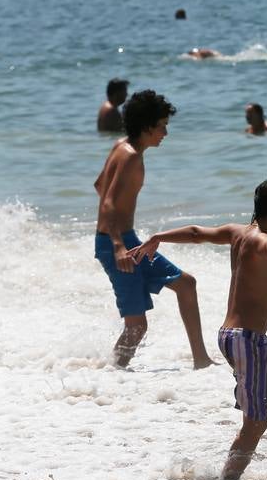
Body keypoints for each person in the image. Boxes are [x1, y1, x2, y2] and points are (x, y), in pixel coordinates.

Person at [132, 178, 267, 480]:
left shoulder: (237, 233)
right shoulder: (260, 241)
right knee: (256, 421)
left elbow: (197, 233)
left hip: (243, 339)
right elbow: (262, 244)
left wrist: (159, 236)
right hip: (245, 340)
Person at [92, 89, 215, 369]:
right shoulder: (131, 156)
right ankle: (113, 375)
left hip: (125, 239)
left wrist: (120, 234)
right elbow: (109, 201)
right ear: (147, 126)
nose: (165, 133)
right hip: (117, 244)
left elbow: (100, 185)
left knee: (186, 284)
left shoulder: (121, 146)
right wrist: (118, 245)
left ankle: (201, 360)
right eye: (162, 126)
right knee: (136, 327)